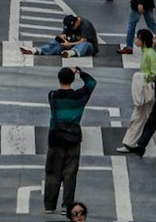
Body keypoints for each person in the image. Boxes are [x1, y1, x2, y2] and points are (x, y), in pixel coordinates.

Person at [41, 64, 95, 214]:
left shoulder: (52, 96)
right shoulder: (80, 97)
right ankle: (67, 204)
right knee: (70, 172)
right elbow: (92, 83)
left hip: (56, 137)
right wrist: (80, 72)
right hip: (73, 137)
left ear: (59, 79)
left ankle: (50, 205)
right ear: (72, 80)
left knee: (53, 171)